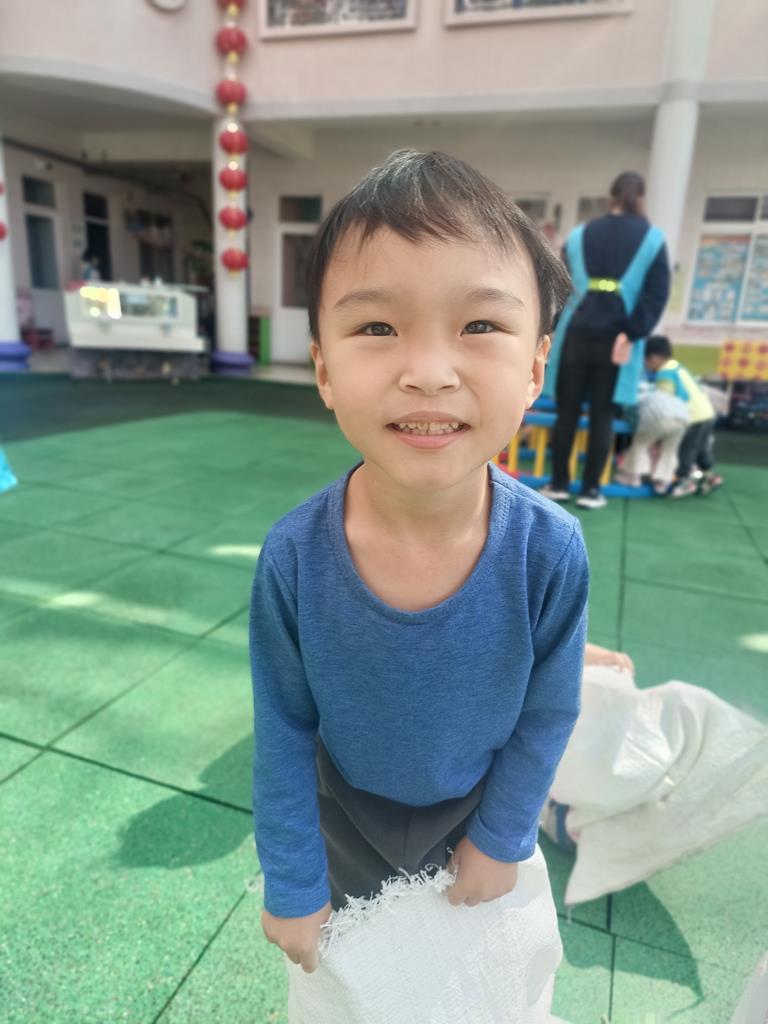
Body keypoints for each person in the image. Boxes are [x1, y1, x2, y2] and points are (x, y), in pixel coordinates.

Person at [249, 150, 589, 979]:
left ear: (535, 366)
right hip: (341, 815)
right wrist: (292, 882)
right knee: (353, 986)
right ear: (323, 369)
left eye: (480, 326)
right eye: (377, 328)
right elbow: (283, 728)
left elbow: (547, 713)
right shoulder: (294, 557)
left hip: (478, 809)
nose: (430, 374)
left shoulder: (549, 552)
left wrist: (501, 837)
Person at [540, 171, 670, 510]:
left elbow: (559, 287)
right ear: (640, 198)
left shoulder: (579, 235)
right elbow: (656, 294)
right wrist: (633, 331)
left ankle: (558, 484)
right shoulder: (652, 239)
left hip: (575, 335)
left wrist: (551, 326)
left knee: (567, 413)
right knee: (602, 416)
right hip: (618, 339)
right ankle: (591, 490)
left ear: (610, 196)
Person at [644, 334, 723, 497]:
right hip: (706, 412)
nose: (646, 365)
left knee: (686, 449)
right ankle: (710, 475)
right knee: (700, 448)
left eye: (646, 361)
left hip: (692, 416)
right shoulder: (677, 366)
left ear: (654, 358)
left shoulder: (665, 373)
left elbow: (663, 399)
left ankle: (682, 480)